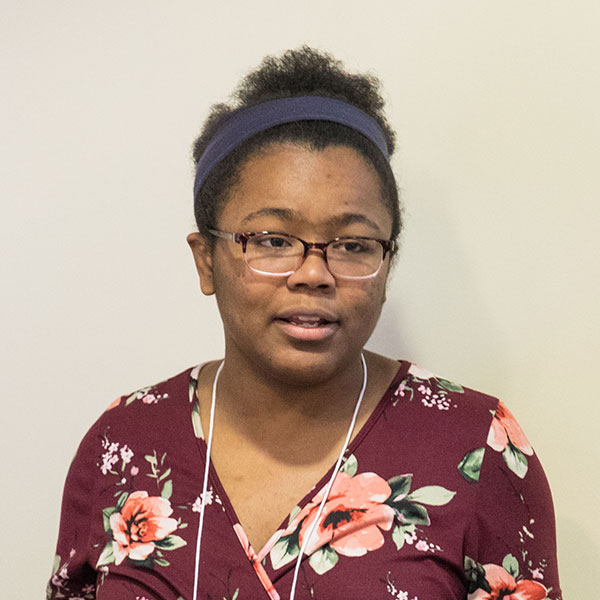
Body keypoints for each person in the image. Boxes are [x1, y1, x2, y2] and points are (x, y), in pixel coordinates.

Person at [47, 47, 562, 600]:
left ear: (387, 265)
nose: (314, 272)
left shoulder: (477, 446)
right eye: (271, 240)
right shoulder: (122, 440)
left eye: (353, 245)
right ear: (206, 261)